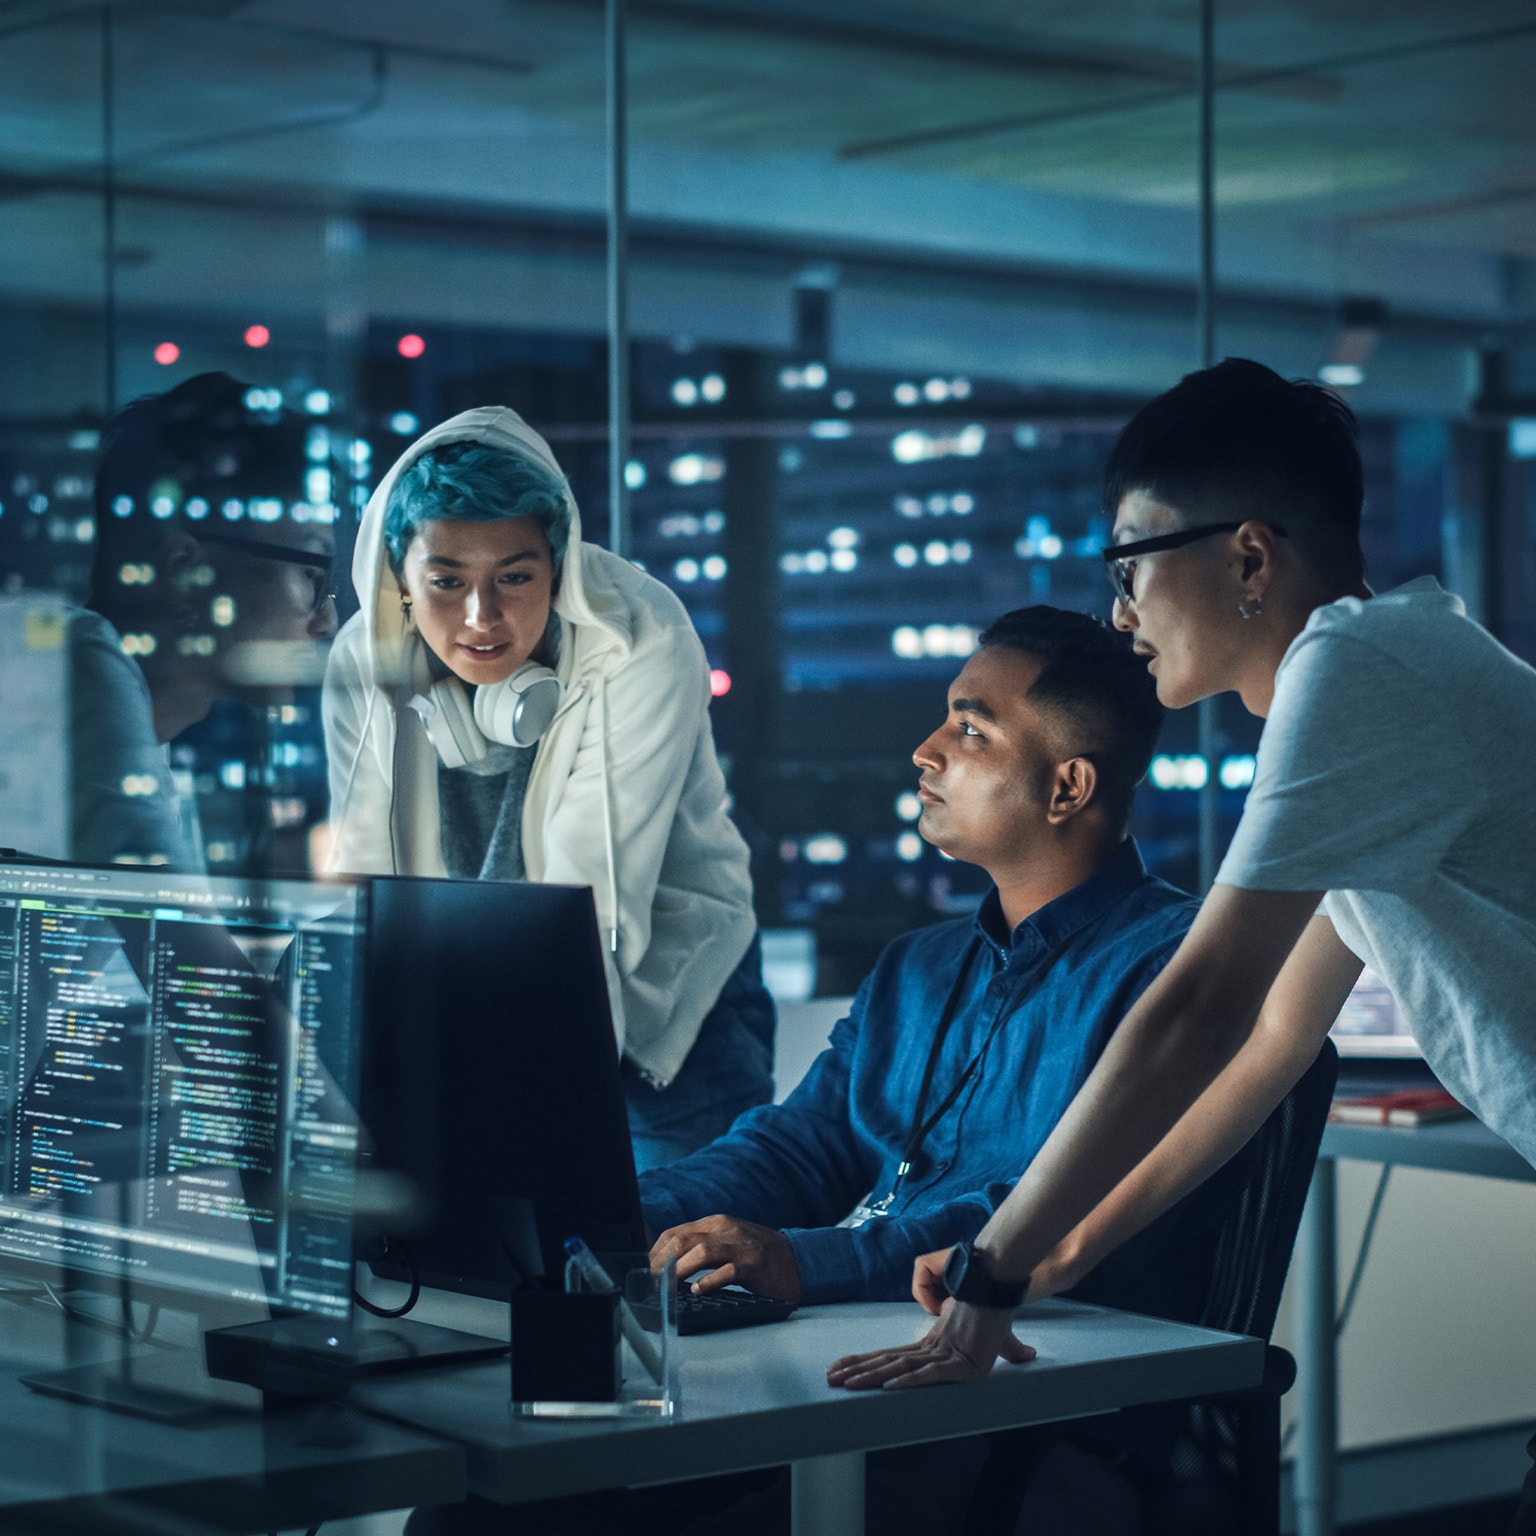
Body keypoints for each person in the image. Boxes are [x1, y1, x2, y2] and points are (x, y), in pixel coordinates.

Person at [829, 358, 1536, 1528]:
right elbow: (1264, 1043)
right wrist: (1064, 1251)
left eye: (1132, 566)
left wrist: (996, 1267)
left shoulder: (1352, 671)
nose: (1121, 615)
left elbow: (1196, 1003)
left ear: (1248, 558)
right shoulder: (1393, 668)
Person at [407, 604, 1260, 1536]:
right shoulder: (919, 966)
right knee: (483, 1505)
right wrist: (622, 1213)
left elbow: (1041, 1208)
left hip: (1026, 1414)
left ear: (1067, 787)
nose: (926, 751)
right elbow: (798, 1147)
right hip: (853, 1367)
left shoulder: (1174, 971)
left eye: (971, 728)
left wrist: (799, 1263)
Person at [322, 406, 773, 1169]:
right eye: (446, 580)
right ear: (400, 578)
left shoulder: (641, 640)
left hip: (672, 1008)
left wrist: (521, 1104)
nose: (481, 617)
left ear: (557, 568)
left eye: (515, 577)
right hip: (474, 1007)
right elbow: (374, 885)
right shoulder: (364, 667)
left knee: (666, 1274)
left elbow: (592, 904)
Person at [71, 372, 338, 870]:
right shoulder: (86, 673)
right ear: (187, 572)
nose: (327, 622)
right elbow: (180, 940)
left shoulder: (149, 728)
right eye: (309, 571)